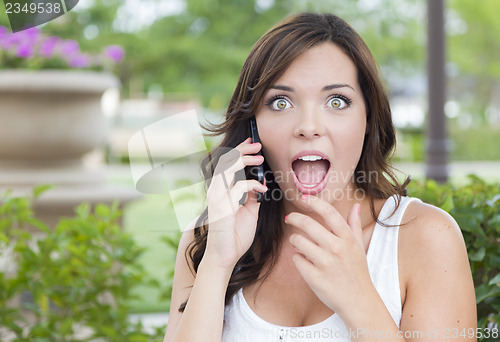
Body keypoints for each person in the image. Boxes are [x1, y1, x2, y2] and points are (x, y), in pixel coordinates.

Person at [163, 12, 476, 342]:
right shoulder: (208, 241)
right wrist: (217, 263)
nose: (308, 127)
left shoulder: (426, 238)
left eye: (337, 101)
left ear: (368, 119)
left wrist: (359, 300)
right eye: (281, 102)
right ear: (253, 126)